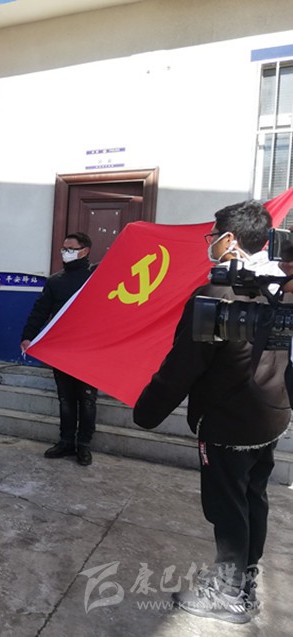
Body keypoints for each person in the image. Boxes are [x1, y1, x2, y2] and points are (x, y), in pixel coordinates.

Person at [134, 200, 290, 624]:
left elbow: (184, 365)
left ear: (231, 240)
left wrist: (147, 411)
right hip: (270, 416)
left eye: (214, 236)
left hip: (228, 424)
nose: (211, 243)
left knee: (227, 508)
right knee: (251, 499)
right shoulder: (277, 287)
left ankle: (229, 595)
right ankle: (244, 579)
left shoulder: (216, 296)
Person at [20, 232, 98, 466]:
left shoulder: (97, 278)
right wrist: (27, 336)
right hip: (61, 350)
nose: (66, 252)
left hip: (89, 350)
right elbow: (40, 311)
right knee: (66, 399)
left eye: (71, 248)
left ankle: (83, 445)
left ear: (84, 251)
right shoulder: (55, 281)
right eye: (64, 248)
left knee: (87, 400)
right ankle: (66, 441)